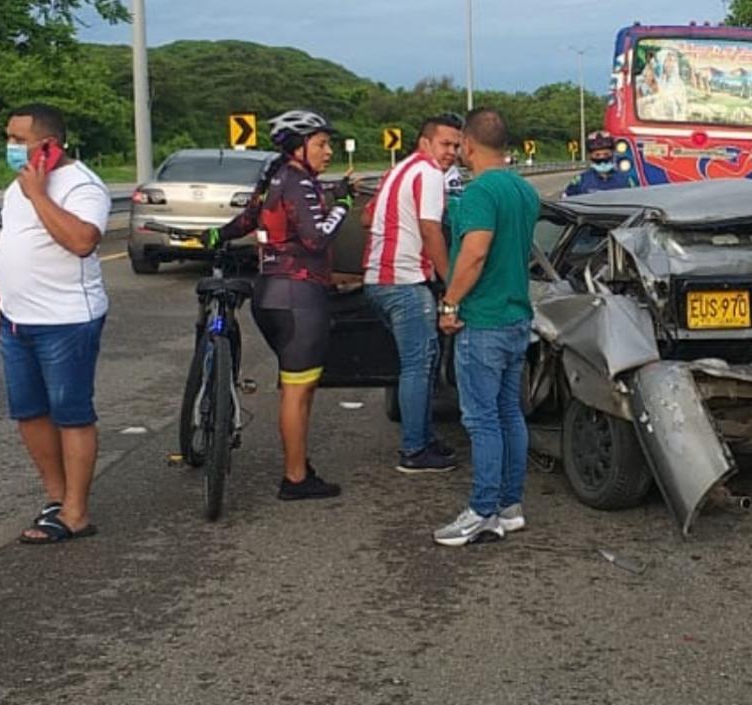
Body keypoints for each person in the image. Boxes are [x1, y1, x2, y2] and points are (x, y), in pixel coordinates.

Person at [209, 109, 353, 500]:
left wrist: (210, 236)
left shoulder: (275, 178)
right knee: (298, 391)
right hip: (300, 298)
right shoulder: (300, 182)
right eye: (322, 144)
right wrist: (344, 205)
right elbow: (316, 239)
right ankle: (294, 477)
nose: (329, 152)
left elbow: (243, 223)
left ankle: (299, 465)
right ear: (298, 146)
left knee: (294, 385)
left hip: (269, 294)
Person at [0, 103, 110, 544]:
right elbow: (13, 242)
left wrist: (40, 193)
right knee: (28, 413)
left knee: (71, 414)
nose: (11, 148)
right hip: (18, 318)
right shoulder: (16, 185)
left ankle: (77, 512)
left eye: (20, 141)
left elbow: (82, 242)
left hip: (66, 320)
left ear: (50, 145)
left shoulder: (83, 186)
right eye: (9, 138)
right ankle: (57, 499)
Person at [434, 108, 540, 547]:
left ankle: (482, 511)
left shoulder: (480, 194)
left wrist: (450, 301)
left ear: (469, 146)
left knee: (481, 420)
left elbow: (475, 254)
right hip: (517, 317)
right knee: (508, 413)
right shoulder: (524, 190)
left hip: (484, 321)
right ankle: (510, 506)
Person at [363, 115, 462, 474]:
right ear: (425, 143)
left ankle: (423, 436)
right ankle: (415, 450)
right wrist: (452, 282)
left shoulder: (398, 170)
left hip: (379, 279)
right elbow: (430, 229)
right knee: (419, 365)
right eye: (445, 144)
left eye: (456, 145)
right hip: (405, 282)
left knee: (421, 361)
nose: (451, 152)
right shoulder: (431, 174)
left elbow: (366, 218)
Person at [564, 130, 636, 197]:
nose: (602, 158)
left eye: (606, 154)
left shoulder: (626, 181)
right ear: (589, 156)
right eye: (597, 155)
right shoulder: (580, 181)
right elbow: (565, 202)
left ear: (613, 154)